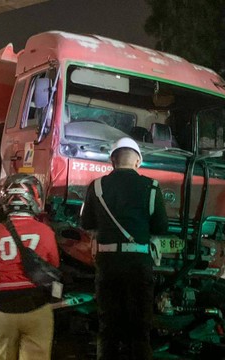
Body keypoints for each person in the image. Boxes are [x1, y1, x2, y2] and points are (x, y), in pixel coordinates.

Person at [80, 137, 168, 360]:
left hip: (108, 264)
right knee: (139, 328)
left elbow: (86, 224)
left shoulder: (97, 186)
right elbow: (160, 227)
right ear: (138, 162)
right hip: (139, 264)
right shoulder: (152, 187)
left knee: (108, 326)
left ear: (112, 161)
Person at [0, 174, 60, 360]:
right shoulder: (45, 232)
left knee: (3, 355)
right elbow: (53, 265)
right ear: (34, 198)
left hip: (2, 306)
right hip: (35, 305)